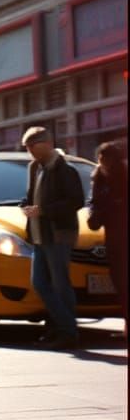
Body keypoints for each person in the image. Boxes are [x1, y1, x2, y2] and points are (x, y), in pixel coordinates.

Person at [20, 126, 85, 350]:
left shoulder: (65, 170)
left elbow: (75, 201)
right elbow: (31, 196)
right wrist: (25, 206)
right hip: (39, 235)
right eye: (27, 147)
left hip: (59, 234)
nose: (30, 151)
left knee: (60, 284)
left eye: (32, 146)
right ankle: (60, 326)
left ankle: (68, 331)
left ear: (47, 144)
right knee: (39, 282)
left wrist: (44, 210)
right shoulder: (34, 168)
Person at [87, 142, 128, 333]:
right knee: (120, 281)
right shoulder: (99, 180)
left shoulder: (122, 178)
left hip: (122, 237)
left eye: (105, 160)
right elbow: (94, 212)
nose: (101, 163)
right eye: (100, 159)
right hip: (114, 240)